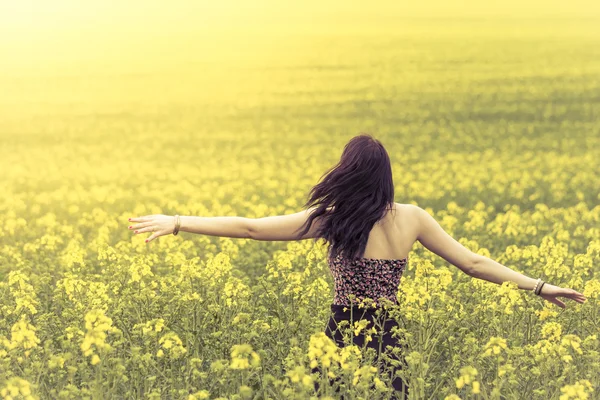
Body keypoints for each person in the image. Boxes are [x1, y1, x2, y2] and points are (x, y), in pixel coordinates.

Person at [127, 133, 587, 399]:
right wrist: (539, 286)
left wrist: (180, 222)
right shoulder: (412, 218)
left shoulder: (331, 220)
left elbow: (250, 228)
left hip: (341, 334)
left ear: (346, 172)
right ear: (385, 175)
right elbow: (473, 262)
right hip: (389, 334)